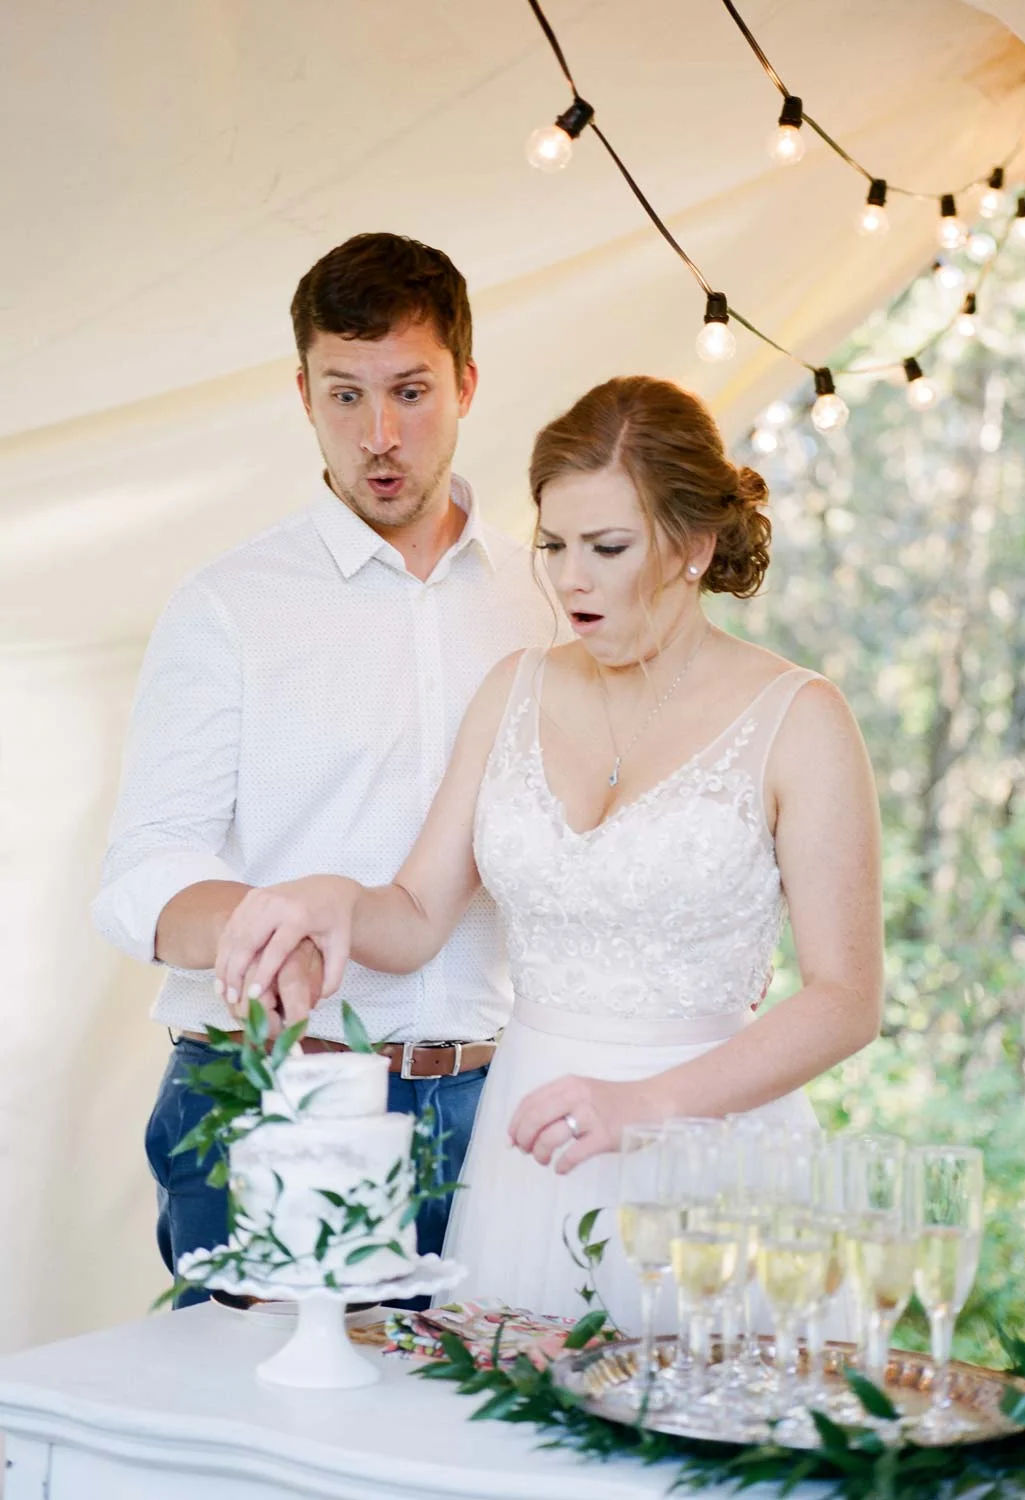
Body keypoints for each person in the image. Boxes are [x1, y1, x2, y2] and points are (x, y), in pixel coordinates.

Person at [211, 375, 884, 1326]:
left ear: (694, 545)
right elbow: (416, 916)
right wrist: (331, 899)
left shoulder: (800, 718)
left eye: (607, 548)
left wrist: (645, 1106)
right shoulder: (513, 689)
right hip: (527, 1152)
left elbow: (846, 1000)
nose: (571, 580)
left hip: (713, 1163)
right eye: (553, 545)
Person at [92, 233, 558, 1302]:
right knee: (252, 1409)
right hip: (270, 1095)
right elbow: (141, 870)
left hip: (495, 1110)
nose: (379, 435)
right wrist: (265, 930)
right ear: (302, 392)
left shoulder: (544, 598)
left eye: (410, 391)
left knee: (476, 1411)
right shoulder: (226, 605)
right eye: (345, 395)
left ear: (466, 385)